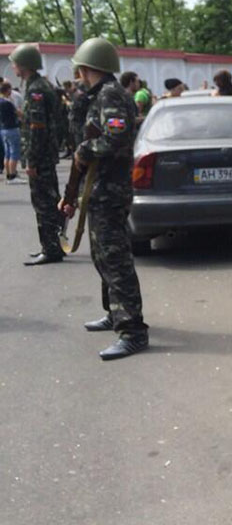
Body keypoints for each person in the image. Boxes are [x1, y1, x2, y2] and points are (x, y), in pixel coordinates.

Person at [59, 37, 149, 360]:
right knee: (102, 255)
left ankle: (133, 330)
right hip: (100, 191)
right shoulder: (101, 95)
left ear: (86, 67)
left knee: (115, 259)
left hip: (110, 191)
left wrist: (85, 150)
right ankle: (115, 312)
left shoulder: (110, 94)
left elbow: (116, 138)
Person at [10, 44, 66, 265]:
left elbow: (37, 127)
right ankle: (54, 245)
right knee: (50, 200)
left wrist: (31, 159)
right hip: (47, 154)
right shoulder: (41, 86)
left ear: (23, 65)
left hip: (40, 157)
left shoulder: (35, 90)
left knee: (43, 203)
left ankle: (51, 248)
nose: (12, 66)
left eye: (15, 62)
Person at [1, 81, 23, 183]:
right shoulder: (8, 102)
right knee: (14, 152)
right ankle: (13, 175)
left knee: (7, 153)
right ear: (8, 90)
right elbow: (18, 113)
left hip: (3, 128)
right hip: (12, 128)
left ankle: (8, 174)